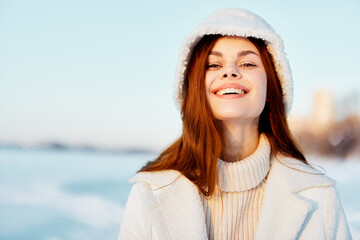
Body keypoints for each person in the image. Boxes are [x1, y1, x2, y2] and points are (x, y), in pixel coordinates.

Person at [118, 8, 352, 240]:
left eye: (248, 64)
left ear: (272, 86)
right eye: (214, 65)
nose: (230, 72)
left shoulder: (320, 196)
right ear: (195, 88)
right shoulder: (149, 192)